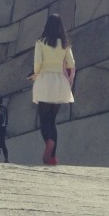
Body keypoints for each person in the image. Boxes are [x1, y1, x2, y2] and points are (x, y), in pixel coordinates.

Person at [29, 13, 75, 166]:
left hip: (45, 81)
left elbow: (37, 64)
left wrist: (34, 75)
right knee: (52, 121)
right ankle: (53, 158)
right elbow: (71, 63)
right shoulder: (65, 44)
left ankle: (48, 141)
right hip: (59, 82)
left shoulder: (40, 42)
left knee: (44, 120)